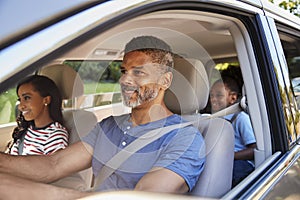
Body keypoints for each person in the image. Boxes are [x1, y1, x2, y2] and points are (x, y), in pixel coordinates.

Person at [0, 36, 205, 199]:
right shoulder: (108, 126)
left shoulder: (185, 139)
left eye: (138, 72)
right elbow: (53, 165)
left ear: (165, 80)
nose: (125, 80)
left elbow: (142, 197)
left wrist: (44, 194)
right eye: (124, 71)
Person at [209, 76, 256, 187]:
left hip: (239, 163)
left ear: (233, 98)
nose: (213, 99)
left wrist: (230, 155)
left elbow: (254, 149)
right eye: (211, 95)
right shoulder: (211, 118)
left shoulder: (240, 118)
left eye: (219, 95)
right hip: (219, 160)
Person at [5, 75, 68, 155]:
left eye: (27, 98)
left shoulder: (55, 136)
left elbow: (52, 166)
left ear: (46, 100)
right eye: (20, 99)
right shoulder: (26, 130)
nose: (20, 106)